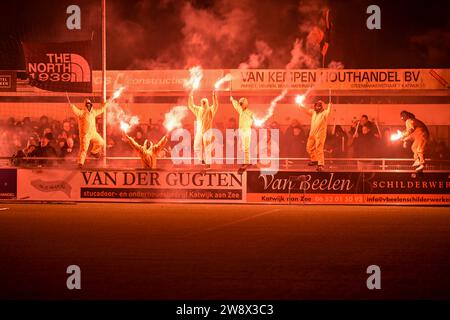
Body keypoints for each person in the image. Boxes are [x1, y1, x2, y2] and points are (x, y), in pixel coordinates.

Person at [70, 97, 113, 168]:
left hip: (93, 133)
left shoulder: (94, 112)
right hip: (85, 135)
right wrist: (73, 107)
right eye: (87, 103)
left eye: (89, 103)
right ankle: (80, 163)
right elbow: (76, 111)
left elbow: (102, 109)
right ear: (85, 105)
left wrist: (107, 102)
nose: (88, 105)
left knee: (101, 142)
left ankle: (94, 151)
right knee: (84, 149)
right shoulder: (82, 112)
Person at [188, 90, 219, 168]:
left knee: (207, 148)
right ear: (201, 103)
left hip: (207, 131)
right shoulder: (198, 110)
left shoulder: (210, 110)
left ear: (207, 103)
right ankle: (202, 159)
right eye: (203, 102)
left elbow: (215, 105)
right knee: (196, 146)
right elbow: (191, 105)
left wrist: (214, 96)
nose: (204, 103)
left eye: (205, 102)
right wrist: (191, 96)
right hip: (199, 131)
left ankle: (208, 164)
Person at [300, 100, 332, 171]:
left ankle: (321, 164)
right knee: (309, 147)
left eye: (319, 105)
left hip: (320, 134)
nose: (317, 107)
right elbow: (306, 110)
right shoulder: (313, 112)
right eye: (317, 105)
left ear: (322, 106)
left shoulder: (324, 113)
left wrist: (330, 106)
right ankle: (314, 160)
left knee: (319, 149)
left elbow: (328, 112)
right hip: (312, 134)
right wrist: (300, 104)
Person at [230, 96, 254, 172]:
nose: (240, 105)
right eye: (240, 104)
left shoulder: (249, 112)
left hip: (246, 131)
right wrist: (232, 100)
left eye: (242, 104)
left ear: (245, 104)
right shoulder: (241, 110)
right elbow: (236, 105)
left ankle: (247, 162)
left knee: (246, 147)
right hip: (242, 131)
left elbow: (254, 121)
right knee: (242, 147)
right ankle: (245, 161)